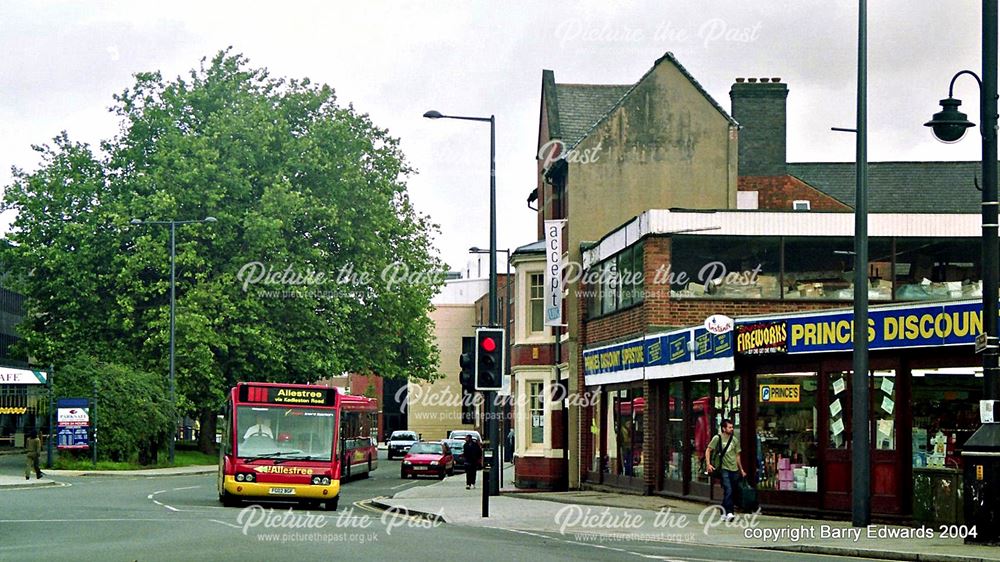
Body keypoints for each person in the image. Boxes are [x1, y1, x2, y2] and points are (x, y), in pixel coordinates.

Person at [705, 419, 746, 521]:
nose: (732, 429)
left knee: (732, 491)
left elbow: (737, 456)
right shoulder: (717, 438)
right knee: (728, 489)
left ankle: (723, 512)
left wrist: (741, 469)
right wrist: (708, 464)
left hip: (734, 469)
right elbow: (708, 450)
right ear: (724, 428)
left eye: (732, 427)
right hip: (724, 468)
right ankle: (730, 513)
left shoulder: (734, 440)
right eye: (729, 427)